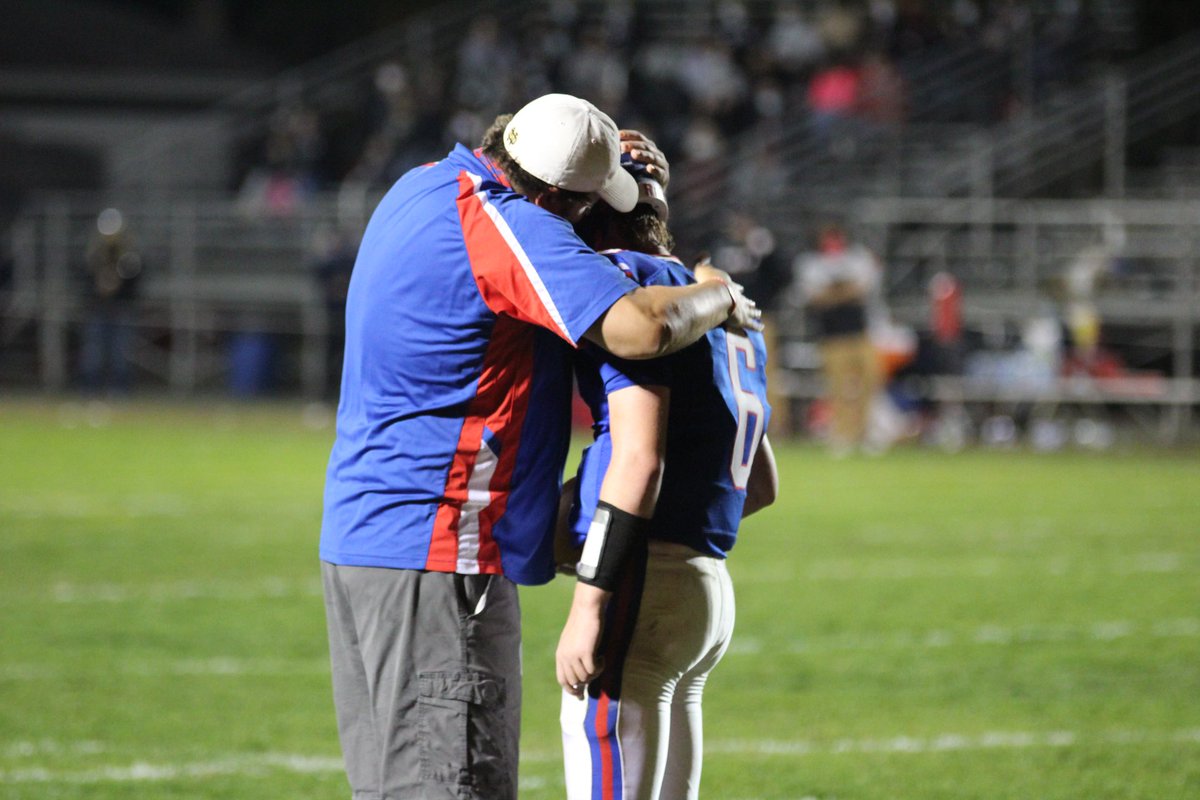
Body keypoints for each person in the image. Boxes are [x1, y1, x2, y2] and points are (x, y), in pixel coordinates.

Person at [319, 93, 761, 800]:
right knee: (454, 785)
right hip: (442, 549)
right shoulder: (507, 221)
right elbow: (643, 332)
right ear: (556, 198)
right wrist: (719, 296)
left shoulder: (422, 182)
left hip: (361, 537)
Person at [556, 156, 778, 800]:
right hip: (707, 585)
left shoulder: (633, 285)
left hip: (642, 581)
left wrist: (594, 587)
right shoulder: (724, 308)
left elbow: (638, 456)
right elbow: (758, 486)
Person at [794, 222, 882, 455]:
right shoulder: (811, 263)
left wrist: (833, 294)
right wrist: (844, 293)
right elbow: (814, 297)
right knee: (837, 388)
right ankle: (842, 435)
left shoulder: (857, 257)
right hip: (831, 336)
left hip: (860, 333)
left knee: (870, 382)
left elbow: (862, 289)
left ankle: (865, 433)